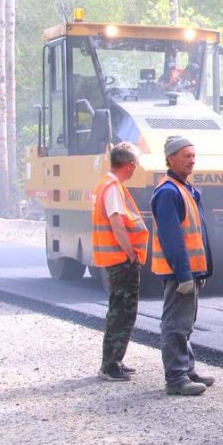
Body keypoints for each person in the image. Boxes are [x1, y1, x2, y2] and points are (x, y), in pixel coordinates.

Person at [151, 135, 215, 396]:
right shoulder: (168, 192)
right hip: (179, 271)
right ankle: (176, 378)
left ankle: (187, 369)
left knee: (185, 322)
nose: (192, 160)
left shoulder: (185, 188)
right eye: (186, 156)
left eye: (193, 155)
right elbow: (172, 237)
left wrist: (201, 269)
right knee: (175, 323)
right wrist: (184, 274)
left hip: (190, 269)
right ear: (171, 158)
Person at [91, 142, 149, 382]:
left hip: (115, 257)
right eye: (135, 165)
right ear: (130, 165)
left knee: (119, 310)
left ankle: (114, 361)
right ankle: (111, 365)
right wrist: (131, 252)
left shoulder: (107, 184)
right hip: (120, 258)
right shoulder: (113, 188)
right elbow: (117, 223)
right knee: (122, 312)